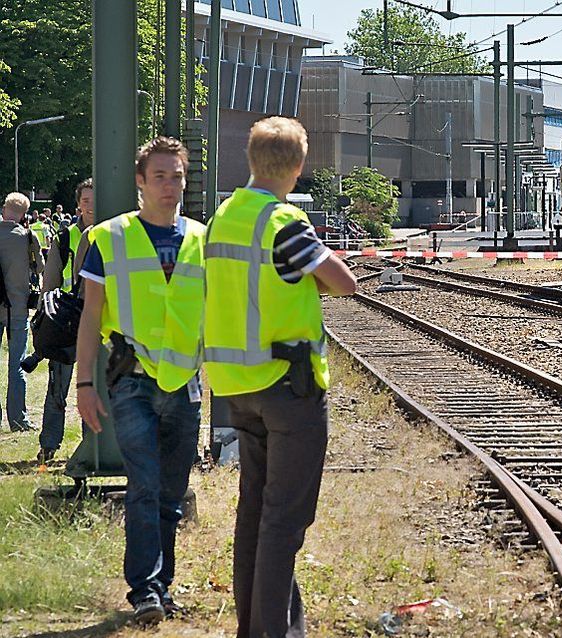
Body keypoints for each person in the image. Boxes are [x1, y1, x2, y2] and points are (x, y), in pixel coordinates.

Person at [203, 117, 357, 638]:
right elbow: (344, 282)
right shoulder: (282, 220)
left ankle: (258, 627)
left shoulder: (224, 216)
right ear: (298, 166)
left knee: (254, 516)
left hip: (235, 387)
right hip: (288, 388)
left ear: (250, 161)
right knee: (284, 521)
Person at [76, 138, 204, 624]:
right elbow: (91, 316)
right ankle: (145, 591)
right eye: (160, 177)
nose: (170, 187)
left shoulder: (200, 237)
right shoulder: (110, 236)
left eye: (177, 177)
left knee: (171, 494)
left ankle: (162, 586)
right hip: (131, 380)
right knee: (144, 486)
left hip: (185, 383)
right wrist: (84, 385)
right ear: (139, 182)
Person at [37, 178, 94, 463]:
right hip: (66, 320)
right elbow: (51, 279)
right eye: (86, 201)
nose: (91, 206)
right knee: (57, 386)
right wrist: (45, 315)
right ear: (78, 204)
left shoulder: (109, 234)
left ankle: (91, 443)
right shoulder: (66, 236)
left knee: (93, 386)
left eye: (95, 201)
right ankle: (49, 444)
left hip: (94, 320)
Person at [0, 193, 44, 432]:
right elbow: (41, 268)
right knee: (16, 364)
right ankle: (18, 419)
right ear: (24, 214)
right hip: (17, 308)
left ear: (4, 208)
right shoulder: (27, 236)